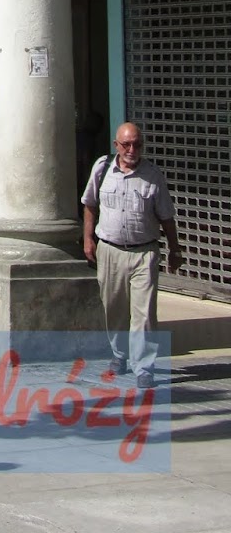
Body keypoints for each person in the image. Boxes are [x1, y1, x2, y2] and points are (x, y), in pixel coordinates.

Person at [83, 121, 182, 389]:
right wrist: (88, 239)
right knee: (113, 308)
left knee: (144, 313)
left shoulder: (153, 175)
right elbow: (90, 204)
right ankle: (119, 354)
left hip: (144, 253)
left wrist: (175, 249)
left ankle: (144, 367)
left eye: (137, 145)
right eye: (126, 144)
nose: (132, 150)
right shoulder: (102, 168)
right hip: (110, 251)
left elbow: (166, 216)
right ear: (116, 145)